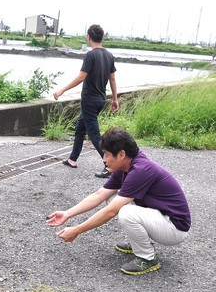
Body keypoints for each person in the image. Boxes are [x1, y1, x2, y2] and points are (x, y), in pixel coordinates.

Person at [46, 128, 191, 275]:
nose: (103, 159)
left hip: (174, 228)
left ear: (121, 154)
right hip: (159, 219)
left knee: (125, 211)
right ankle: (139, 243)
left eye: (106, 154)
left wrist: (77, 230)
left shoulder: (141, 170)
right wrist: (67, 214)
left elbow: (111, 211)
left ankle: (147, 257)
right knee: (112, 197)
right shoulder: (124, 166)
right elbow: (99, 195)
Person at [53, 24, 119, 178]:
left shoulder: (91, 55)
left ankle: (109, 167)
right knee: (80, 129)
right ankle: (72, 159)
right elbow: (113, 79)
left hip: (89, 100)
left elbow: (82, 77)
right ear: (101, 37)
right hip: (101, 99)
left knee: (95, 135)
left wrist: (62, 90)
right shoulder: (109, 55)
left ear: (89, 37)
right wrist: (114, 99)